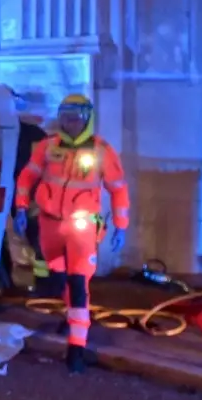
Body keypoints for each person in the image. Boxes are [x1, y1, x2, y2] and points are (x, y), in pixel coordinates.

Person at [12, 93, 129, 373]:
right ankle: (72, 316)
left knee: (78, 284)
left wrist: (121, 225)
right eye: (66, 116)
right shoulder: (47, 146)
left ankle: (76, 348)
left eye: (76, 117)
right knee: (58, 277)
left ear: (87, 118)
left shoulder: (102, 150)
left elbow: (119, 188)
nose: (70, 122)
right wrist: (20, 207)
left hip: (82, 228)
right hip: (50, 224)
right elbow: (28, 176)